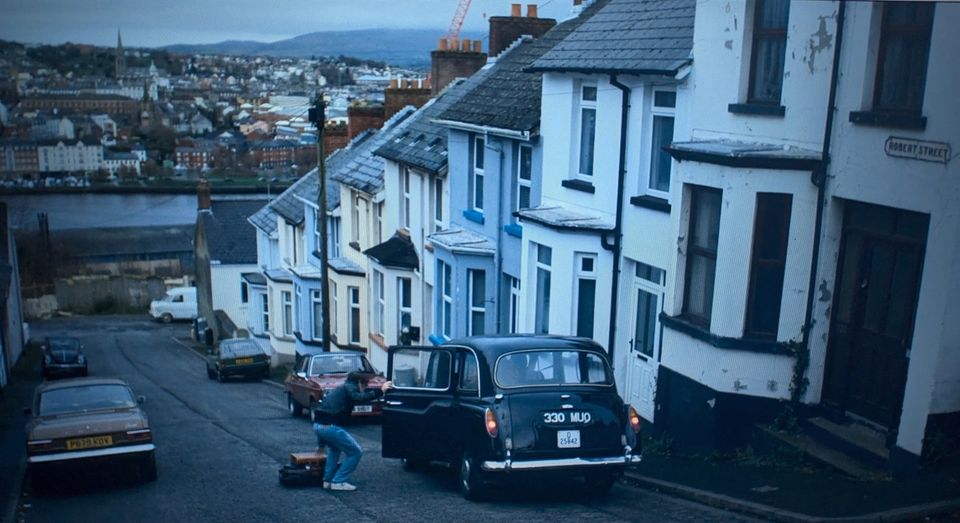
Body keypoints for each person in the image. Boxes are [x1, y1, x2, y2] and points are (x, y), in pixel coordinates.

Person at [313, 371, 393, 491]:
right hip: (331, 427)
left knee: (334, 449)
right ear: (360, 382)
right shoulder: (350, 387)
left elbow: (322, 415)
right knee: (355, 452)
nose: (365, 388)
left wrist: (321, 444)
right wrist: (381, 391)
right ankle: (338, 481)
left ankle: (327, 480)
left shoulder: (341, 388)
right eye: (366, 385)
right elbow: (359, 397)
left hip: (319, 426)